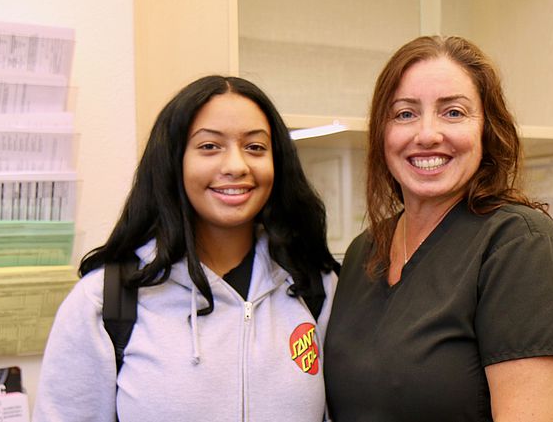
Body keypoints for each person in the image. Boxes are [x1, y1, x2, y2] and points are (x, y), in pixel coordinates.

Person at [33, 75, 339, 422]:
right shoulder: (107, 300)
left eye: (255, 147)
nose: (237, 166)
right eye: (209, 146)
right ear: (173, 161)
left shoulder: (314, 287)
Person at [324, 36, 553, 421]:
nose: (427, 134)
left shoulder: (523, 248)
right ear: (381, 134)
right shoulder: (363, 251)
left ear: (487, 130)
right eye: (405, 113)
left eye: (453, 112)